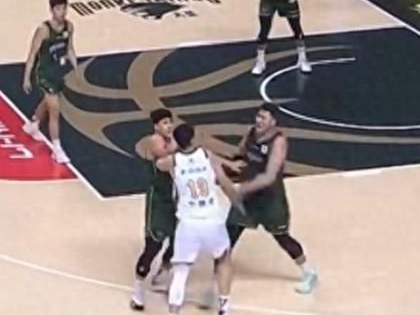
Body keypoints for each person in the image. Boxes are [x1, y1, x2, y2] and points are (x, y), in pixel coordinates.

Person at [223, 103, 318, 294]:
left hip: (269, 198)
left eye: (263, 118)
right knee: (229, 234)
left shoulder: (278, 141)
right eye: (258, 116)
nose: (258, 120)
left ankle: (308, 272)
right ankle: (219, 281)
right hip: (248, 197)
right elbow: (240, 155)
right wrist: (228, 166)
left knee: (282, 237)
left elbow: (269, 176)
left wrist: (244, 188)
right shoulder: (250, 133)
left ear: (273, 122)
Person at [156, 123, 244, 315]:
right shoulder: (206, 155)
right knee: (223, 259)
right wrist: (238, 204)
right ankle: (224, 307)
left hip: (188, 222)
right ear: (193, 138)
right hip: (212, 219)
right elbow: (226, 184)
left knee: (181, 271)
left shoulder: (172, 161)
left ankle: (174, 311)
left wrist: (171, 146)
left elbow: (159, 164)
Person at [130, 109, 178, 311]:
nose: (169, 126)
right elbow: (165, 154)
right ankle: (137, 291)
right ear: (156, 126)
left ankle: (164, 270)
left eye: (170, 122)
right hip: (158, 199)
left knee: (179, 237)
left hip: (174, 197)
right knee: (153, 245)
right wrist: (180, 143)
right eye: (164, 123)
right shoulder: (154, 140)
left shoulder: (171, 140)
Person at [22, 0, 77, 164]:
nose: (62, 12)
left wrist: (76, 69)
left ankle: (33, 124)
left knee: (48, 102)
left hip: (58, 72)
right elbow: (32, 54)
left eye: (64, 8)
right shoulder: (43, 30)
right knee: (55, 109)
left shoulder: (69, 26)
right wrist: (26, 78)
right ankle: (57, 149)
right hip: (44, 73)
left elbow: (70, 49)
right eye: (58, 9)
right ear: (52, 10)